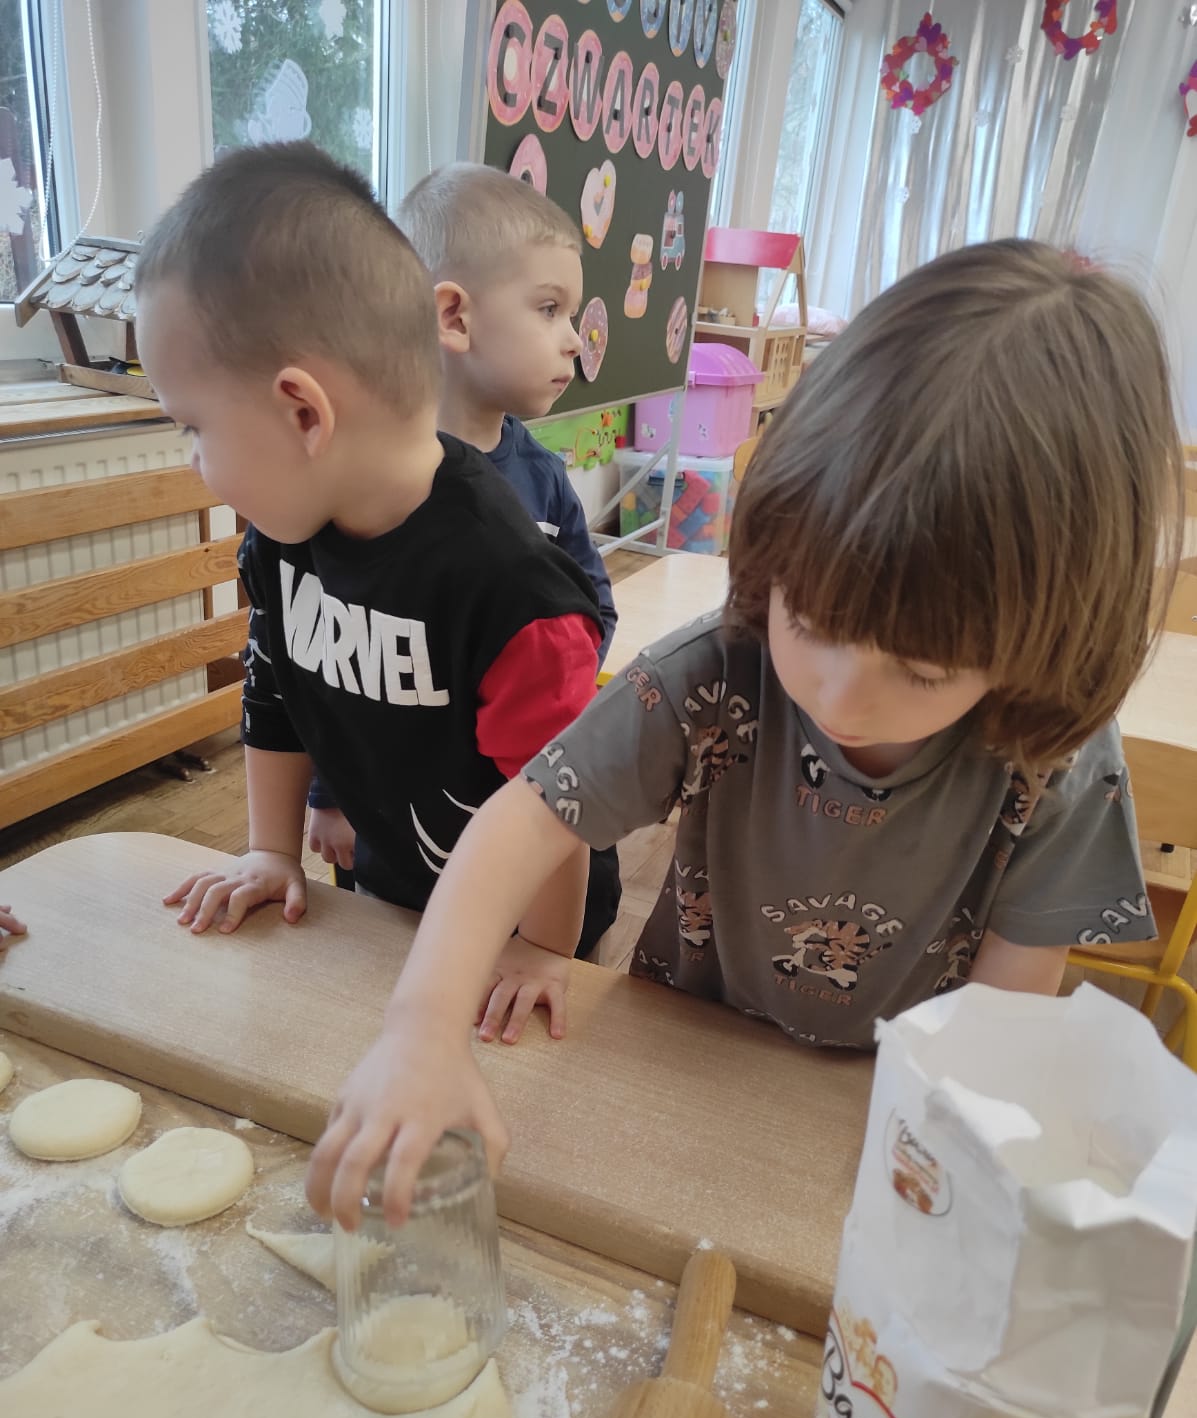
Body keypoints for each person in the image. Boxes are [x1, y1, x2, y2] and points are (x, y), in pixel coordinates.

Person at [304, 238, 1185, 1229]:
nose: (842, 698)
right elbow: (522, 820)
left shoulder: (1049, 757)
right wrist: (421, 1029)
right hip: (682, 1048)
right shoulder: (726, 666)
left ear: (1045, 642)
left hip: (893, 1107)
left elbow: (1000, 1031)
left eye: (923, 671)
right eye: (811, 620)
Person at [135, 142, 602, 1047]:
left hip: (527, 918)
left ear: (303, 412)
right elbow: (274, 692)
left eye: (193, 426)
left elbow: (560, 798)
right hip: (386, 891)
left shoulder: (512, 591)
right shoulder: (284, 534)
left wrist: (545, 948)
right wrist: (271, 849)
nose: (193, 462)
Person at [306, 163, 621, 957]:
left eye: (570, 313)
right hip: (397, 833)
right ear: (452, 315)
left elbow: (594, 611)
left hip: (522, 821)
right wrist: (325, 793)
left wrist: (528, 689)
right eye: (548, 308)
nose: (574, 338)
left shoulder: (541, 479)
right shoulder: (364, 487)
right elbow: (329, 654)